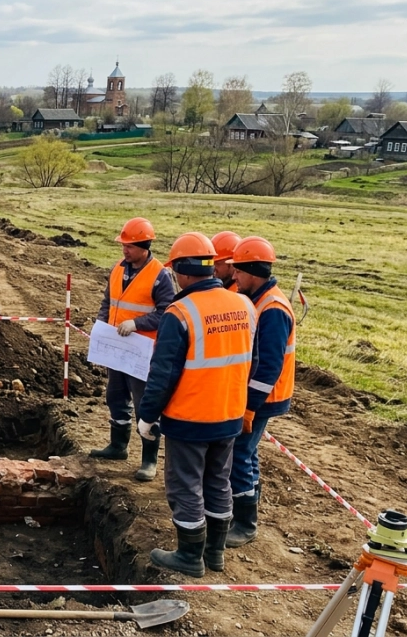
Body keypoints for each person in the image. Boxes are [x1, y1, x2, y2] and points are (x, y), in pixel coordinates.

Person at [136, 232, 257, 577]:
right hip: (230, 414)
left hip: (190, 418)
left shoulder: (180, 312)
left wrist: (147, 416)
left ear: (182, 273)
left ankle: (190, 557)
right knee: (218, 482)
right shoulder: (243, 305)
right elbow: (255, 359)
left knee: (185, 485)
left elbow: (163, 374)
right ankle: (214, 554)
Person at [89, 217, 177, 482]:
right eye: (123, 245)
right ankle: (118, 447)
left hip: (142, 352)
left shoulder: (160, 276)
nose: (124, 250)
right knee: (115, 397)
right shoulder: (118, 268)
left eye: (129, 246)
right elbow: (109, 301)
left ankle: (149, 460)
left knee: (143, 405)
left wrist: (137, 323)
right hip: (116, 348)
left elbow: (167, 313)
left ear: (144, 246)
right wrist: (101, 324)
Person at [226, 236, 296, 548]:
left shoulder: (273, 308)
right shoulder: (258, 299)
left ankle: (244, 523)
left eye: (237, 271)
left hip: (264, 396)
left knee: (239, 451)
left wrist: (250, 407)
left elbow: (269, 366)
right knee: (248, 450)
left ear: (253, 271)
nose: (234, 277)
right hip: (260, 395)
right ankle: (248, 502)